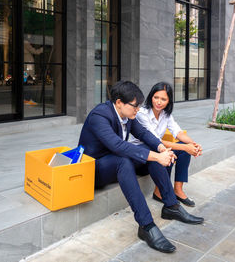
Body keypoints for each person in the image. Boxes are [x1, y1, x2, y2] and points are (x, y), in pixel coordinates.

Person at [78, 81, 204, 253]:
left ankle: (171, 206)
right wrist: (158, 157)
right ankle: (146, 225)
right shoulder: (100, 116)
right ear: (119, 102)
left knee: (148, 149)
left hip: (115, 160)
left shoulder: (128, 115)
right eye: (135, 106)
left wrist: (161, 149)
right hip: (95, 168)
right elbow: (117, 146)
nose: (138, 110)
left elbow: (144, 134)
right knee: (125, 160)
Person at [130, 82, 202, 207]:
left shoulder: (166, 115)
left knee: (182, 150)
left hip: (156, 152)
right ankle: (159, 192)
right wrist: (186, 147)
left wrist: (194, 145)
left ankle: (178, 190)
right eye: (156, 97)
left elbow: (178, 132)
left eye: (163, 99)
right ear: (151, 97)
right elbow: (155, 141)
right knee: (171, 150)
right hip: (141, 157)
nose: (158, 102)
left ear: (169, 101)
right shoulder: (142, 114)